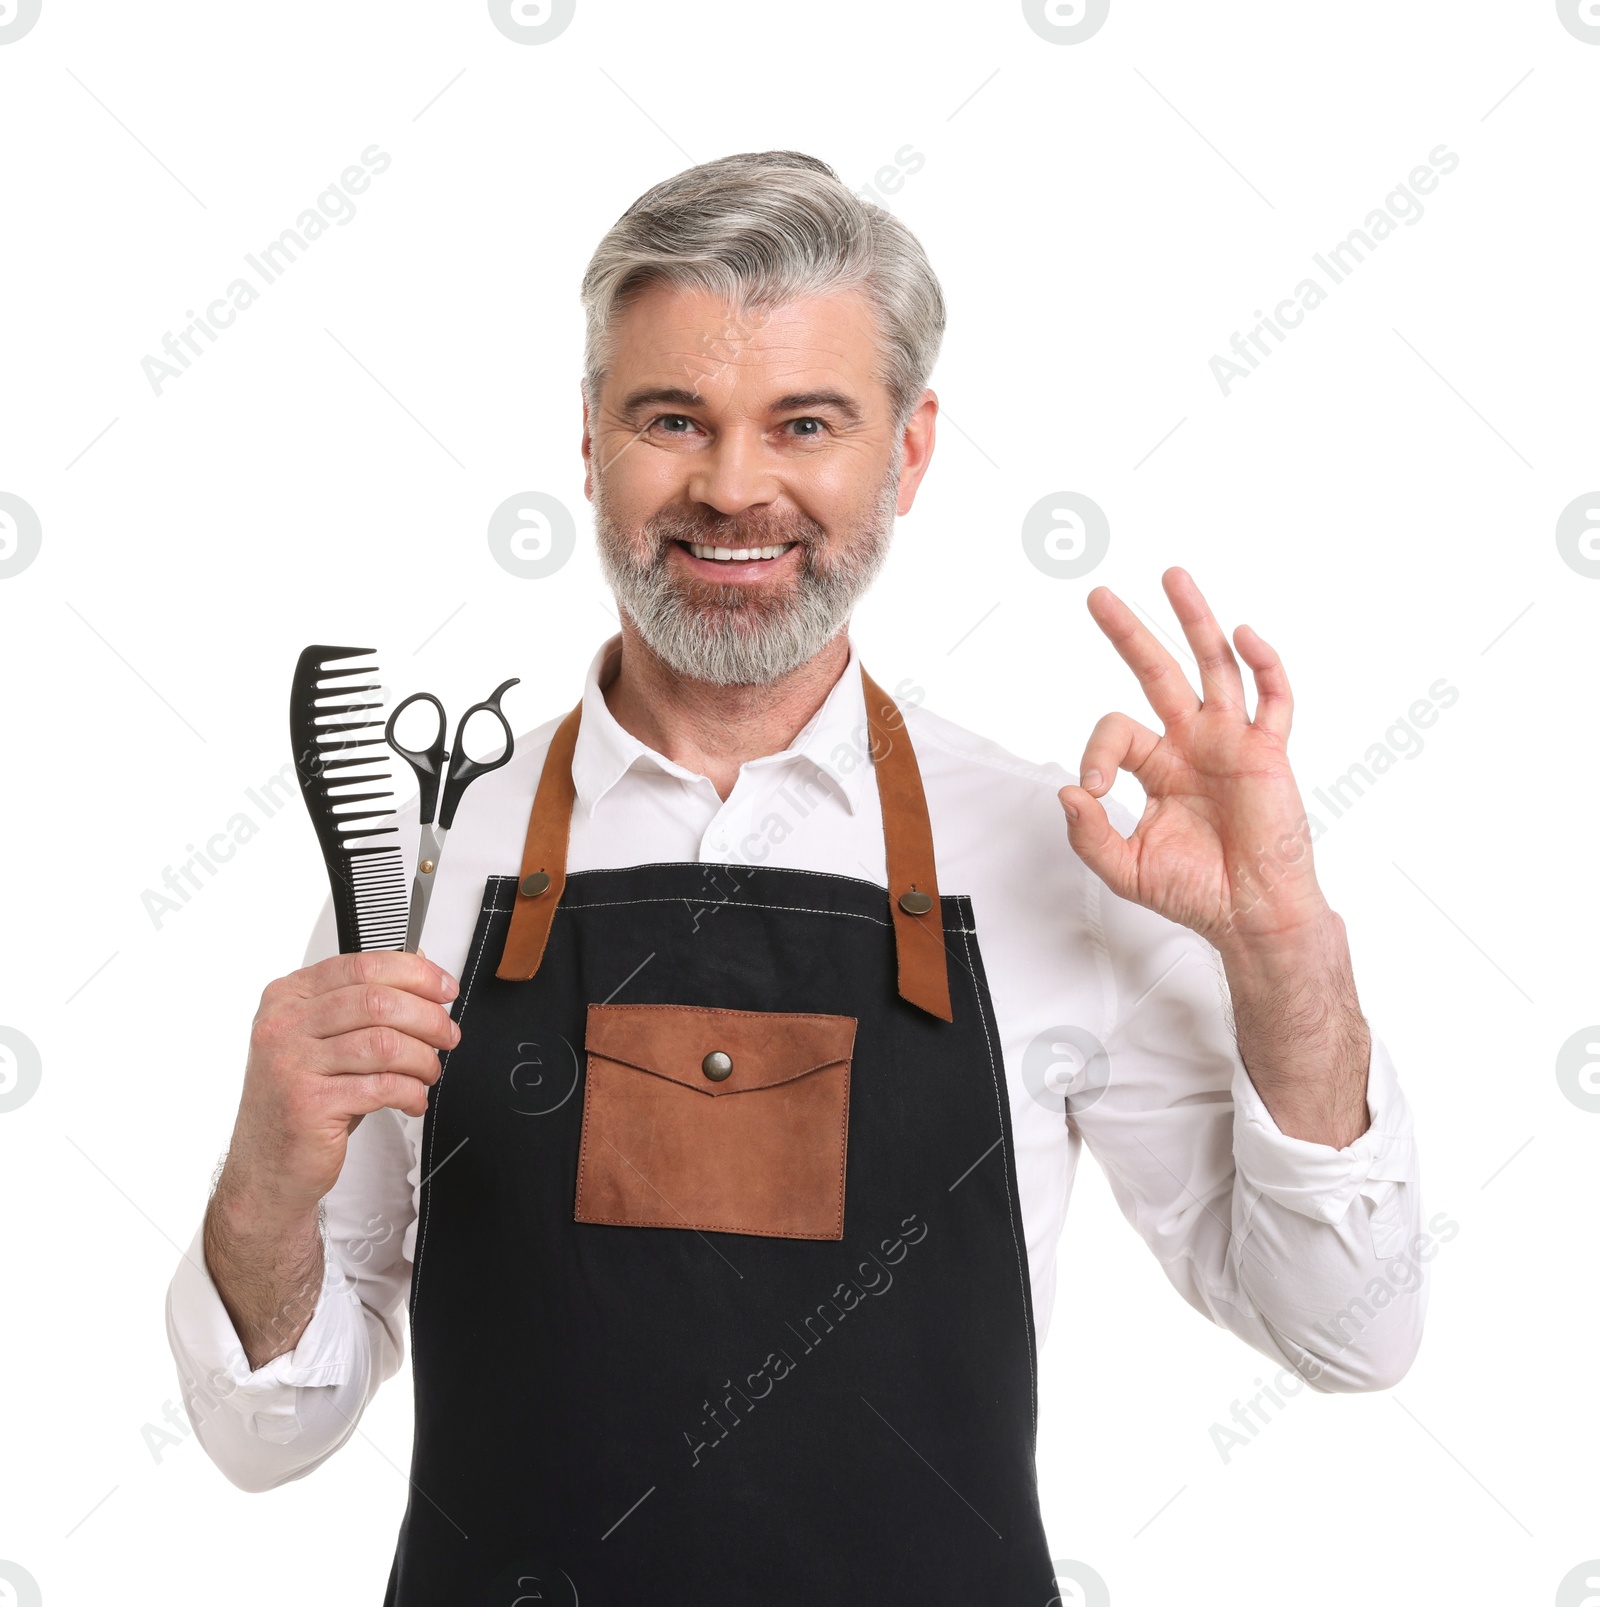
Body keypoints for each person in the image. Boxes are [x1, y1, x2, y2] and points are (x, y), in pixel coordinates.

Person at [167, 150, 1425, 1604]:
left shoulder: (1062, 851)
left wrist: (1285, 947)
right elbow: (273, 1438)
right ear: (589, 441)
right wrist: (265, 1172)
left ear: (908, 449)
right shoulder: (437, 869)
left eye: (805, 422)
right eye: (670, 419)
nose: (732, 487)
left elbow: (1350, 1336)